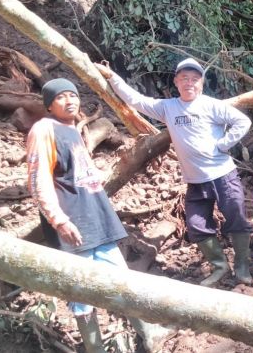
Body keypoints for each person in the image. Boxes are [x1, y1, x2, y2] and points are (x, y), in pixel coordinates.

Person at [26, 78, 174, 353]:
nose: (70, 100)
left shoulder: (71, 130)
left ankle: (148, 334)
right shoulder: (44, 129)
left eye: (73, 94)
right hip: (71, 225)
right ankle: (94, 348)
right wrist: (58, 219)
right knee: (80, 294)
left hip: (96, 220)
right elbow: (38, 180)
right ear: (49, 104)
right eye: (61, 97)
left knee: (123, 283)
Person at [94, 59, 253, 287]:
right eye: (184, 78)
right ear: (177, 82)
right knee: (197, 224)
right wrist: (112, 77)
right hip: (195, 181)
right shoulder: (168, 108)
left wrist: (224, 144)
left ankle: (242, 267)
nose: (189, 83)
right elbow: (136, 100)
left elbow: (242, 121)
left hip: (223, 175)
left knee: (236, 216)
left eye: (194, 79)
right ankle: (220, 266)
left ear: (201, 83)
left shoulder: (211, 105)